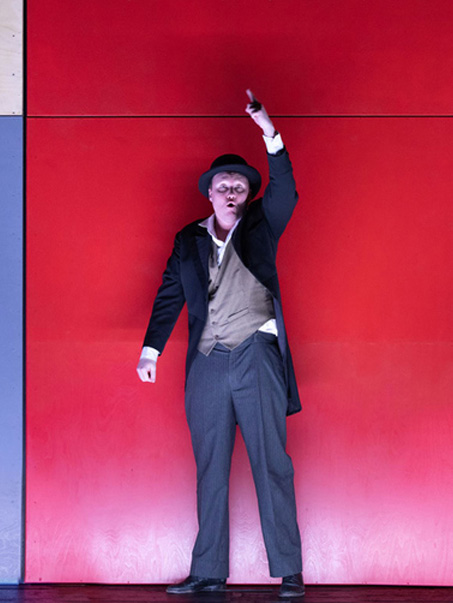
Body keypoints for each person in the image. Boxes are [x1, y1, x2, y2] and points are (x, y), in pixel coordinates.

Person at [137, 90, 304, 598]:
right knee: (210, 467)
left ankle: (289, 570)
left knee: (271, 462)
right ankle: (208, 570)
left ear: (247, 194)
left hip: (257, 356)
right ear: (209, 193)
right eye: (223, 186)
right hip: (207, 363)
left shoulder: (262, 225)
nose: (231, 191)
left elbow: (285, 190)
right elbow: (170, 293)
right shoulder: (188, 239)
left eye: (239, 186)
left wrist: (269, 131)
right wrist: (151, 349)